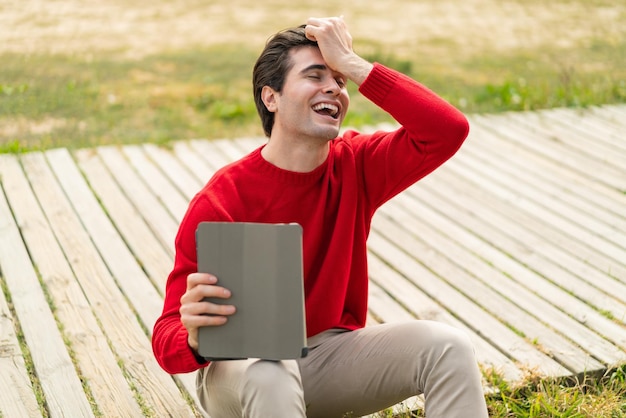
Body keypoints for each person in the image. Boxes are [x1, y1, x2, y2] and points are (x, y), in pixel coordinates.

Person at [152, 16, 489, 418]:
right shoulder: (222, 199)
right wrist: (191, 337)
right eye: (315, 75)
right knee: (271, 370)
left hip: (328, 356)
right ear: (271, 98)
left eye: (340, 80)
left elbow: (447, 129)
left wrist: (352, 63)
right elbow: (167, 339)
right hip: (239, 371)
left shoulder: (358, 166)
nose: (333, 87)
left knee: (448, 347)